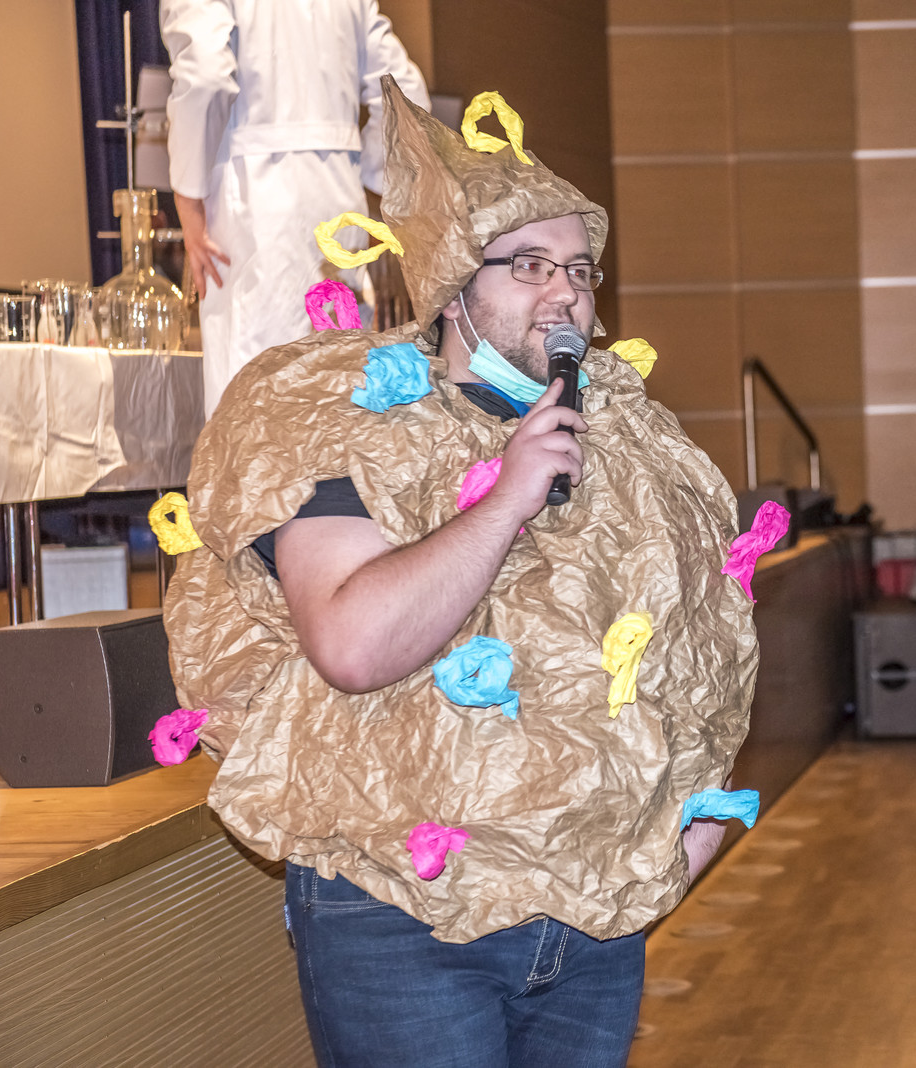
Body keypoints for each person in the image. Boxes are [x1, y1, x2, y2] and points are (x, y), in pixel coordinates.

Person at [163, 80, 759, 1067]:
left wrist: (687, 827)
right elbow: (354, 644)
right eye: (528, 265)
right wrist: (506, 498)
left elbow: (703, 648)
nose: (565, 293)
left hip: (593, 914)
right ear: (452, 281)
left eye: (580, 269)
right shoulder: (338, 417)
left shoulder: (635, 443)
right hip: (404, 916)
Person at [162, 0, 429, 415]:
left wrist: (188, 195)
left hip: (256, 202)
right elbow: (405, 88)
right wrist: (369, 172)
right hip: (340, 201)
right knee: (338, 383)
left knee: (256, 395)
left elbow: (205, 75)